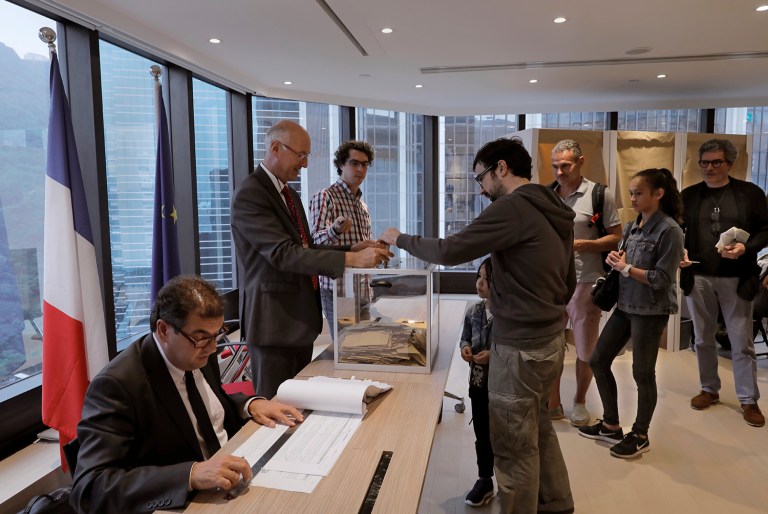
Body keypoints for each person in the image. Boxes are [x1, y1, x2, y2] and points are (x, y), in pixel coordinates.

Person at [380, 137, 575, 514]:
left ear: (501, 168)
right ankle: (557, 505)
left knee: (512, 445)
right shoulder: (552, 204)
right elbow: (568, 281)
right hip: (550, 339)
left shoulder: (514, 206)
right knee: (536, 428)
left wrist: (398, 238)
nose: (481, 188)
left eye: (480, 178)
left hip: (519, 345)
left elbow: (451, 250)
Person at [70, 276, 304, 514]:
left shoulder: (197, 350)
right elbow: (90, 489)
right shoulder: (117, 385)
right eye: (202, 338)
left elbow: (210, 405)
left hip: (229, 480)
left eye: (217, 335)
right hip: (184, 501)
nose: (213, 348)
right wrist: (189, 475)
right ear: (163, 330)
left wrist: (250, 404)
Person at [231, 120, 391, 398]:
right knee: (277, 412)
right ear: (276, 148)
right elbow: (282, 254)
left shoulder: (289, 194)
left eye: (307, 156)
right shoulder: (251, 194)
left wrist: (350, 251)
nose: (304, 164)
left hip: (298, 323)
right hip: (274, 325)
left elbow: (305, 247)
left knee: (300, 406)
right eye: (301, 155)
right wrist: (351, 261)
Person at [578, 168, 684, 459]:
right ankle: (611, 424)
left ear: (658, 194)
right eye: (632, 193)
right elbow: (627, 262)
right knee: (598, 360)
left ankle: (639, 434)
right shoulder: (632, 225)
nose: (633, 198)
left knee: (642, 373)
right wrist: (618, 261)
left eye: (638, 193)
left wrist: (626, 268)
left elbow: (662, 279)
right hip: (625, 304)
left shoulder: (670, 230)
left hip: (651, 310)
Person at [680, 138, 768, 427]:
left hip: (737, 276)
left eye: (716, 162)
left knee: (741, 341)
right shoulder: (689, 195)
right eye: (704, 163)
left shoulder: (750, 193)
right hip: (699, 274)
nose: (709, 168)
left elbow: (766, 229)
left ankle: (748, 399)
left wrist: (747, 248)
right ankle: (709, 389)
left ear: (730, 163)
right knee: (703, 338)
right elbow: (677, 230)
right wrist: (679, 251)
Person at [547, 139, 622, 427]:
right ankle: (553, 402)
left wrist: (581, 245)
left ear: (580, 162)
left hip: (586, 282)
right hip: (552, 283)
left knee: (585, 348)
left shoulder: (600, 194)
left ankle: (579, 401)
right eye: (555, 166)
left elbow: (616, 236)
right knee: (551, 345)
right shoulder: (548, 195)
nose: (559, 172)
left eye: (565, 165)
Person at [309, 140, 375, 336]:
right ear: (340, 165)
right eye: (354, 163)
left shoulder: (362, 206)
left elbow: (361, 247)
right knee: (346, 349)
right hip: (339, 290)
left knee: (363, 347)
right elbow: (314, 245)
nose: (360, 169)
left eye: (364, 164)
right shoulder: (326, 196)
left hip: (363, 288)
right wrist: (335, 231)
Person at [459, 258, 495, 507]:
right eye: (478, 277)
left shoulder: (509, 314)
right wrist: (466, 349)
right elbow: (464, 339)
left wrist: (494, 355)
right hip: (478, 383)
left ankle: (509, 479)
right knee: (481, 432)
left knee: (502, 434)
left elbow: (512, 346)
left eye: (487, 279)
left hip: (503, 386)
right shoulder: (473, 311)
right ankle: (485, 479)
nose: (480, 283)